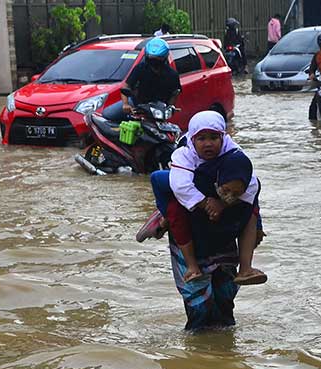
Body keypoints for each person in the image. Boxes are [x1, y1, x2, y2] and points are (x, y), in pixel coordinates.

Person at [137, 111, 266, 287]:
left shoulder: (234, 153)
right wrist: (206, 204)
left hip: (216, 188)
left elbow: (251, 187)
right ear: (193, 139)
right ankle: (165, 218)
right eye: (202, 138)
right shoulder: (185, 153)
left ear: (222, 138)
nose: (208, 144)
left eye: (214, 138)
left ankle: (246, 268)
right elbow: (180, 185)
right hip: (185, 181)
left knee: (251, 209)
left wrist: (223, 204)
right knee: (170, 199)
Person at [103, 38, 181, 122]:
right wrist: (125, 104)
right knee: (107, 114)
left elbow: (175, 93)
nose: (154, 63)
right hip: (137, 105)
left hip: (158, 110)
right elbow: (126, 86)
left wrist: (169, 107)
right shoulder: (140, 68)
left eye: (157, 59)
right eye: (152, 59)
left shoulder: (172, 75)